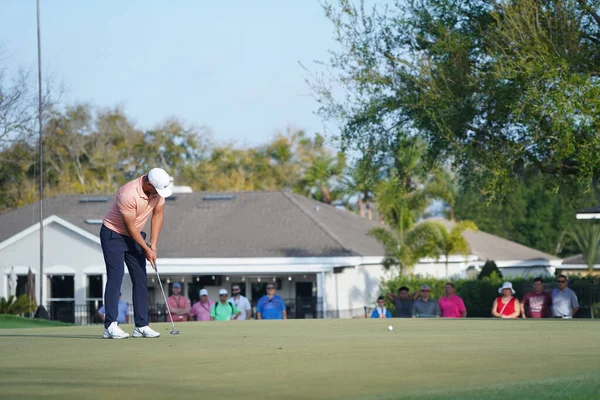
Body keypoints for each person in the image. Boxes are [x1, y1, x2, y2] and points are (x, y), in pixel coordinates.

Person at [100, 167, 172, 339]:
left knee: (140, 279)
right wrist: (146, 249)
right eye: (156, 190)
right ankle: (110, 326)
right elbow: (130, 227)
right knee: (116, 278)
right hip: (113, 235)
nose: (158, 194)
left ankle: (141, 325)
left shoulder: (157, 193)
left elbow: (158, 215)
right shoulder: (128, 194)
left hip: (135, 235)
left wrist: (153, 244)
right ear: (148, 184)